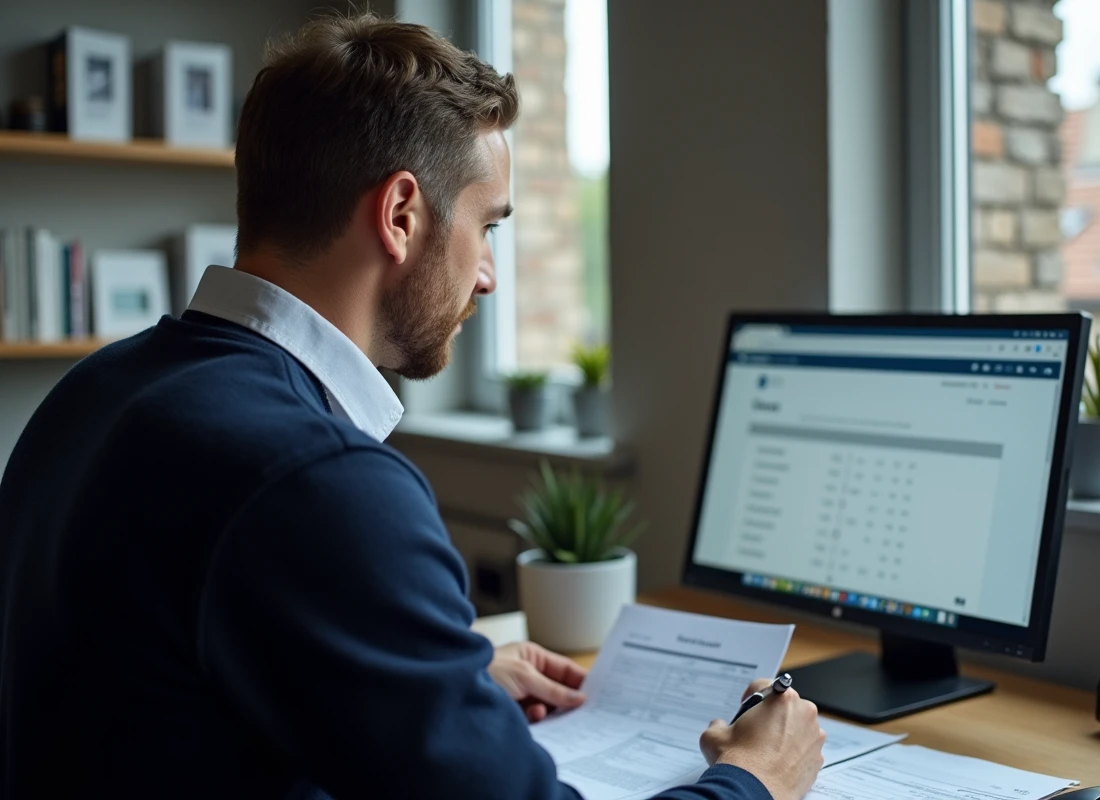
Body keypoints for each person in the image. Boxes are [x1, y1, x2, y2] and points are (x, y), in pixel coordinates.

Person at [0, 13, 825, 800]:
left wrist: (435, 685)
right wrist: (754, 779)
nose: (489, 275)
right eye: (487, 226)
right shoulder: (318, 478)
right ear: (400, 215)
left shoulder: (97, 392)